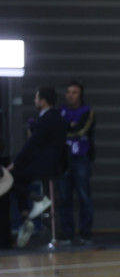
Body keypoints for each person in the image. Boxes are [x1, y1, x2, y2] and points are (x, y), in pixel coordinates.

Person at [8, 87, 68, 248]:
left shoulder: (47, 119)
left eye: (36, 98)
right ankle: (25, 217)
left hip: (47, 164)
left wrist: (15, 163)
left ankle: (38, 200)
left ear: (42, 101)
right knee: (20, 177)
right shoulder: (55, 117)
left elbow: (32, 145)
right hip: (53, 162)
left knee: (12, 177)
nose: (34, 102)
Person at [58, 81, 94, 245]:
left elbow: (81, 130)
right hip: (64, 158)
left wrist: (67, 128)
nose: (70, 95)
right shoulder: (60, 112)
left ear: (80, 96)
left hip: (81, 158)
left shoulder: (87, 111)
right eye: (68, 92)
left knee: (83, 195)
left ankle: (85, 234)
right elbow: (58, 131)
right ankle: (67, 234)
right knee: (64, 197)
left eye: (74, 92)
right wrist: (68, 126)